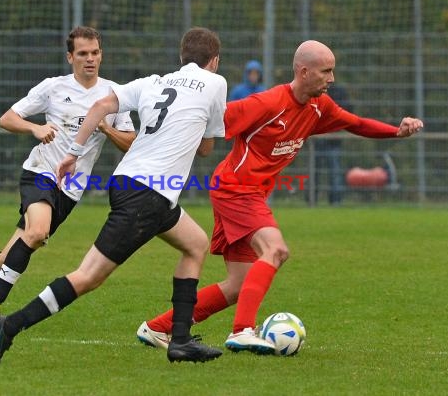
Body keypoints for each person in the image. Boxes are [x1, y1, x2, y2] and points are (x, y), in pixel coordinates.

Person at [136, 40, 424, 354]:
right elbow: (212, 120)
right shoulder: (267, 103)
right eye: (326, 71)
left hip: (244, 192)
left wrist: (395, 131)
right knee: (275, 250)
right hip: (236, 189)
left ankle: (157, 327)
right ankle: (243, 331)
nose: (332, 79)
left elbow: (355, 123)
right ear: (304, 71)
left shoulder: (319, 107)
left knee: (237, 285)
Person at [0, 27, 228, 364]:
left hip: (133, 184)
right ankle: (9, 326)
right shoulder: (216, 83)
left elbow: (100, 106)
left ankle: (180, 339)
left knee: (196, 244)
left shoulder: (154, 82)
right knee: (88, 277)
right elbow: (206, 148)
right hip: (148, 195)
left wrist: (73, 152)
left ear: (181, 58)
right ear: (213, 61)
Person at [0, 26, 136, 319]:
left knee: (10, 255)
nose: (89, 59)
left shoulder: (114, 95)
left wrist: (106, 126)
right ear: (70, 57)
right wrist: (35, 127)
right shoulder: (54, 87)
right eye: (82, 53)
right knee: (38, 232)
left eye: (94, 53)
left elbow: (130, 142)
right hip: (40, 172)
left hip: (71, 188)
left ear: (101, 55)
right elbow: (7, 118)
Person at [312, 83, 353, 205]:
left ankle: (335, 201)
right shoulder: (314, 90)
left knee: (334, 171)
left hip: (334, 139)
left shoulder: (338, 92)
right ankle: (312, 200)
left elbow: (348, 111)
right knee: (314, 171)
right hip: (318, 138)